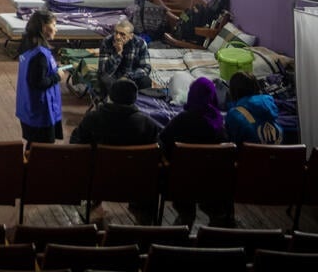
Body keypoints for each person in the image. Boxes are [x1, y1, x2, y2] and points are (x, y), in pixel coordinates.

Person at [70, 77, 161, 223]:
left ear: (110, 96)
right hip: (136, 185)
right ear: (135, 98)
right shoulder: (148, 125)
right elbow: (157, 155)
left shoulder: (93, 119)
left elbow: (76, 144)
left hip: (97, 182)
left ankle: (94, 200)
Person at [159, 77, 233, 226]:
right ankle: (216, 221)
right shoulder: (218, 123)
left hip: (180, 184)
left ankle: (185, 215)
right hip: (212, 185)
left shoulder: (181, 120)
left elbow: (162, 141)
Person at [15, 10, 70, 146]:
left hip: (28, 106)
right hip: (41, 112)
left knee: (32, 144)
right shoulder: (40, 55)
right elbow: (38, 82)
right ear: (44, 27)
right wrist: (57, 76)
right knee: (40, 149)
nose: (56, 29)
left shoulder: (27, 44)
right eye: (54, 25)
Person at [96, 18, 152, 97]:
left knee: (146, 81)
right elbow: (104, 70)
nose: (118, 37)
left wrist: (128, 76)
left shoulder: (140, 43)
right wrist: (117, 53)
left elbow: (146, 68)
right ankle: (113, 105)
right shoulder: (107, 41)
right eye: (116, 33)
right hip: (114, 75)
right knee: (105, 80)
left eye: (122, 34)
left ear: (131, 36)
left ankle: (141, 103)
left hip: (131, 75)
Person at [225, 71, 283, 145]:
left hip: (250, 155)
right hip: (278, 154)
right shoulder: (270, 105)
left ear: (233, 91)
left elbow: (233, 142)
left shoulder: (234, 114)